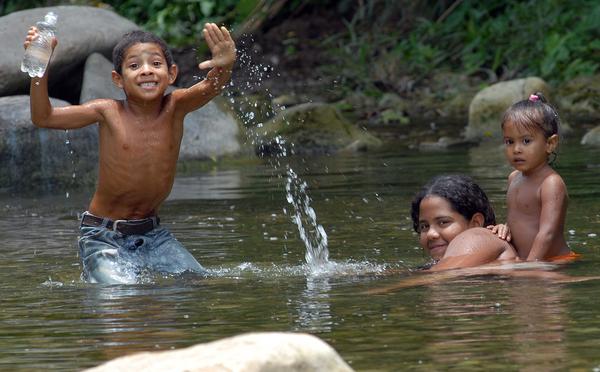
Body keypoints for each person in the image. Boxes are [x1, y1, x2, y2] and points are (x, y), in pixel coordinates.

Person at [24, 23, 236, 283]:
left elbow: (211, 87)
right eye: (134, 66)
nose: (146, 70)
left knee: (197, 282)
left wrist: (225, 65)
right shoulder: (107, 111)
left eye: (155, 64)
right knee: (121, 295)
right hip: (103, 235)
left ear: (171, 74)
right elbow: (44, 117)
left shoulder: (176, 106)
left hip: (153, 235)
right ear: (118, 79)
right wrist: (39, 69)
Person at [493, 92, 576, 262]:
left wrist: (530, 266)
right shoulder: (513, 178)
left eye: (526, 141)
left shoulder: (551, 184)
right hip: (527, 261)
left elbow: (548, 233)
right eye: (509, 142)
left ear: (550, 144)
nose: (516, 149)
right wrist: (505, 228)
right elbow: (520, 219)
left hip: (555, 261)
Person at [410, 175, 517, 271]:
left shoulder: (481, 237)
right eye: (424, 226)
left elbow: (440, 275)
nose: (430, 234)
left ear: (476, 223)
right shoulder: (437, 265)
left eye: (443, 222)